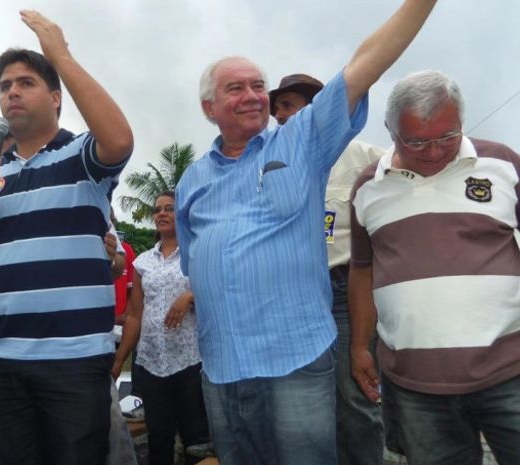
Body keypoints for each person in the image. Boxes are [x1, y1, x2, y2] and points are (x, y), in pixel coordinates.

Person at [175, 2, 438, 463]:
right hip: (222, 366)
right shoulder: (190, 181)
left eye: (259, 85)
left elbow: (364, 65)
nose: (253, 96)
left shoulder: (300, 140)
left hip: (295, 356)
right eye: (235, 88)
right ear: (208, 107)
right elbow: (193, 258)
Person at [0, 10, 134, 465]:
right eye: (5, 85)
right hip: (2, 359)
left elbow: (121, 141)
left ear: (55, 97)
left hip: (74, 356)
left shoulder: (81, 154)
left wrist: (59, 54)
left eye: (25, 82)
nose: (12, 92)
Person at [349, 70, 520, 465]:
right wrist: (359, 346)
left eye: (448, 136)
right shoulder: (368, 187)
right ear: (391, 131)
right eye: (416, 141)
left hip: (510, 372)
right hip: (415, 387)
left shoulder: (503, 165)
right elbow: (362, 270)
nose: (433, 152)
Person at [269, 74, 385, 465]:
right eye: (277, 109)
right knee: (303, 398)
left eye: (289, 106)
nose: (280, 116)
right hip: (293, 292)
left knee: (355, 394)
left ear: (319, 110)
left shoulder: (366, 156)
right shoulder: (271, 165)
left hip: (345, 288)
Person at [113, 191, 210, 465]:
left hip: (191, 360)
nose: (162, 214)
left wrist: (190, 296)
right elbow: (134, 315)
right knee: (158, 439)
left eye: (169, 208)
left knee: (198, 441)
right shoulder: (142, 262)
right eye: (157, 210)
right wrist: (120, 359)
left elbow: (219, 290)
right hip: (152, 362)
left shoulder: (197, 253)